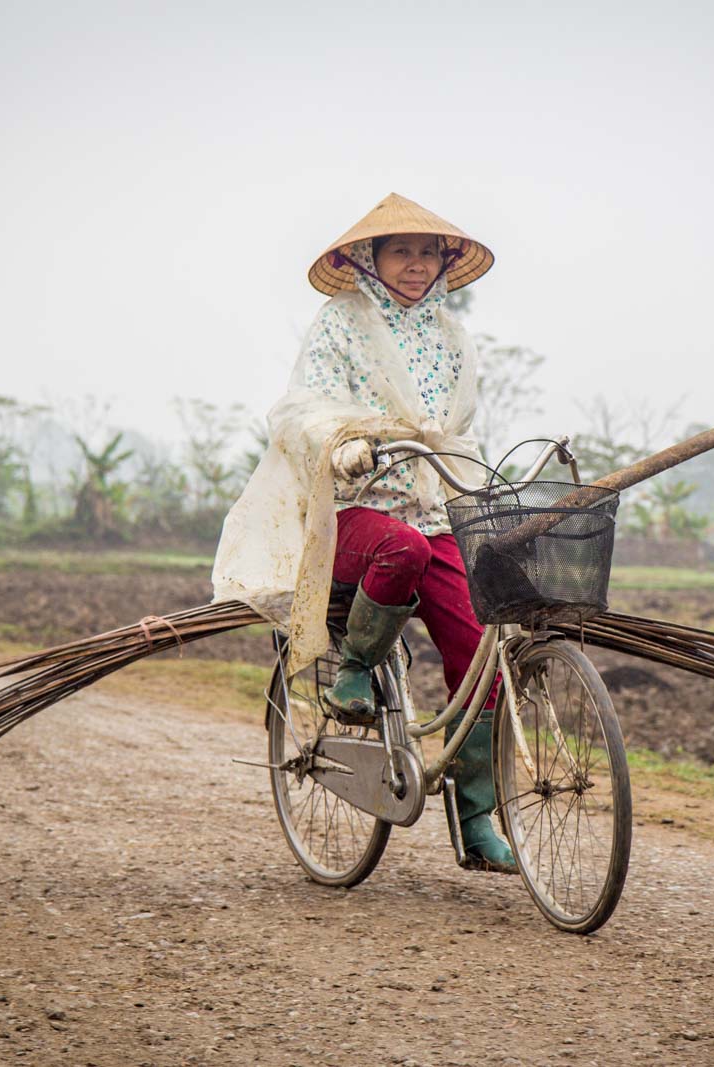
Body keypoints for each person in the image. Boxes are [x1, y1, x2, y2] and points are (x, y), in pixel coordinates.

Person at [213, 192, 514, 873]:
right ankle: (353, 667)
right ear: (370, 260)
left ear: (446, 261)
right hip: (347, 509)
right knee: (397, 547)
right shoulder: (340, 324)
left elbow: (457, 431)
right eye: (400, 251)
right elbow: (303, 408)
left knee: (480, 639)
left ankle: (475, 815)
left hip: (429, 505)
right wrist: (343, 443)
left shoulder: (451, 337)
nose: (415, 264)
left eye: (427, 252)